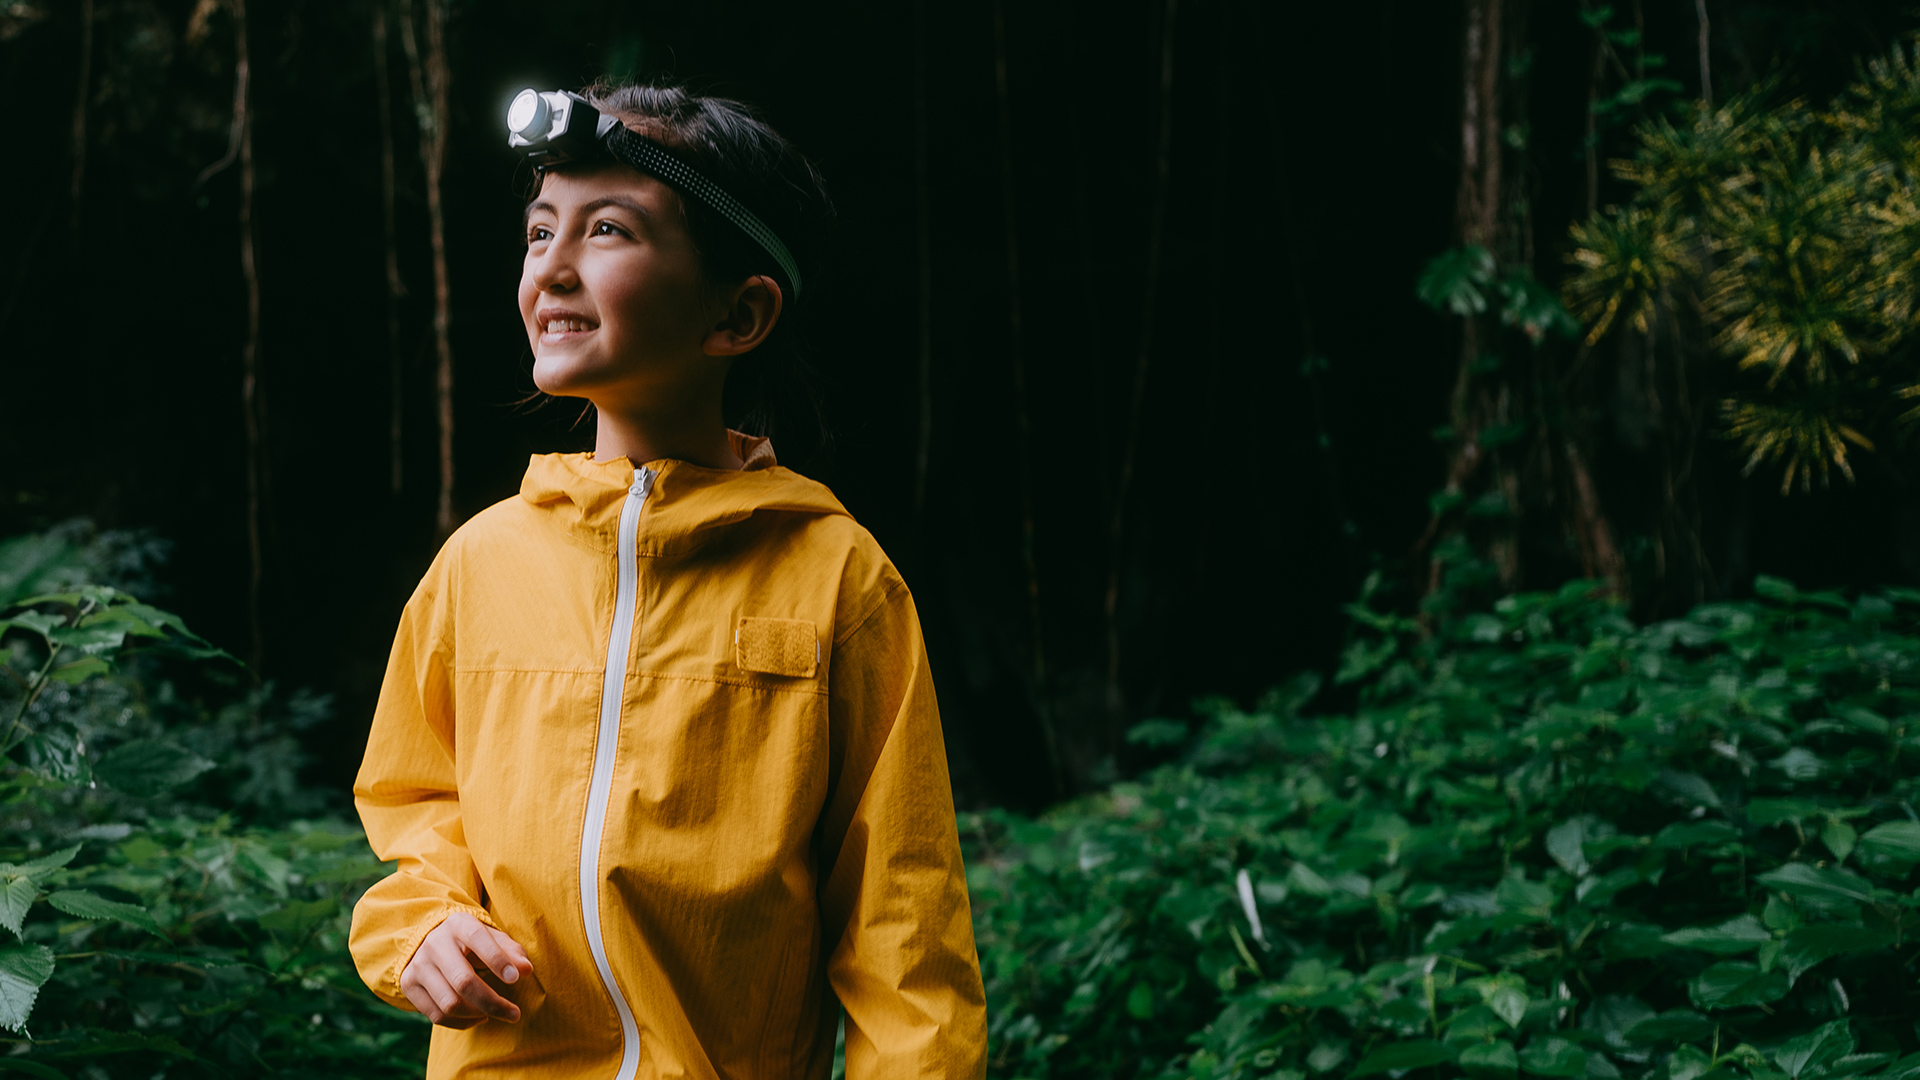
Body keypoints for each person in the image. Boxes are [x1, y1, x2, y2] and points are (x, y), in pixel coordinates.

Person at [347, 81, 987, 1079]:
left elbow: (905, 931)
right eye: (537, 232)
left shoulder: (836, 580)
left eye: (607, 231)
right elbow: (416, 812)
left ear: (738, 313)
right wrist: (420, 923)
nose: (552, 268)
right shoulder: (479, 566)